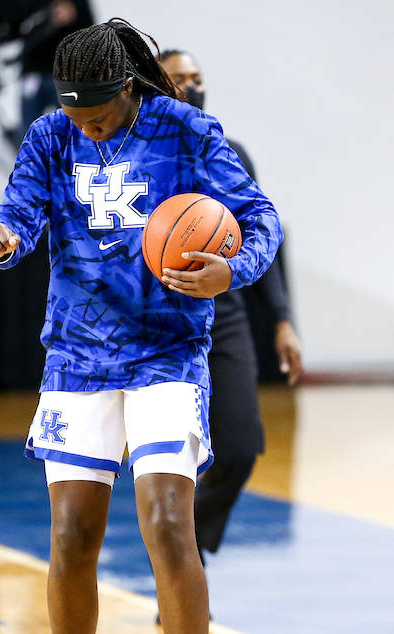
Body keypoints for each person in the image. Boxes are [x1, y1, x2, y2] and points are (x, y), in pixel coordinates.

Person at [0, 19, 281, 634]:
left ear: (127, 89)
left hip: (166, 353)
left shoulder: (187, 132)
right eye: (78, 117)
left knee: (170, 524)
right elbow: (20, 207)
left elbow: (262, 220)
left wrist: (230, 268)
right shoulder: (51, 135)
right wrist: (4, 234)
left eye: (101, 117)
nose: (90, 129)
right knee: (73, 535)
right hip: (77, 356)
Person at [158, 48, 304, 564]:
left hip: (227, 316)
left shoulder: (230, 153)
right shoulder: (134, 158)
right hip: (158, 323)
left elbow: (267, 236)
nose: (192, 87)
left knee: (240, 449)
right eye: (179, 78)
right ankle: (180, 575)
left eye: (198, 78)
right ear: (153, 84)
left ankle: (185, 553)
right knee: (169, 464)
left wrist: (283, 320)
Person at [6, 0, 95, 136]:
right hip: (34, 73)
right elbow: (15, 25)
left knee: (71, 130)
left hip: (65, 76)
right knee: (30, 130)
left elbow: (89, 30)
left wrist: (74, 14)